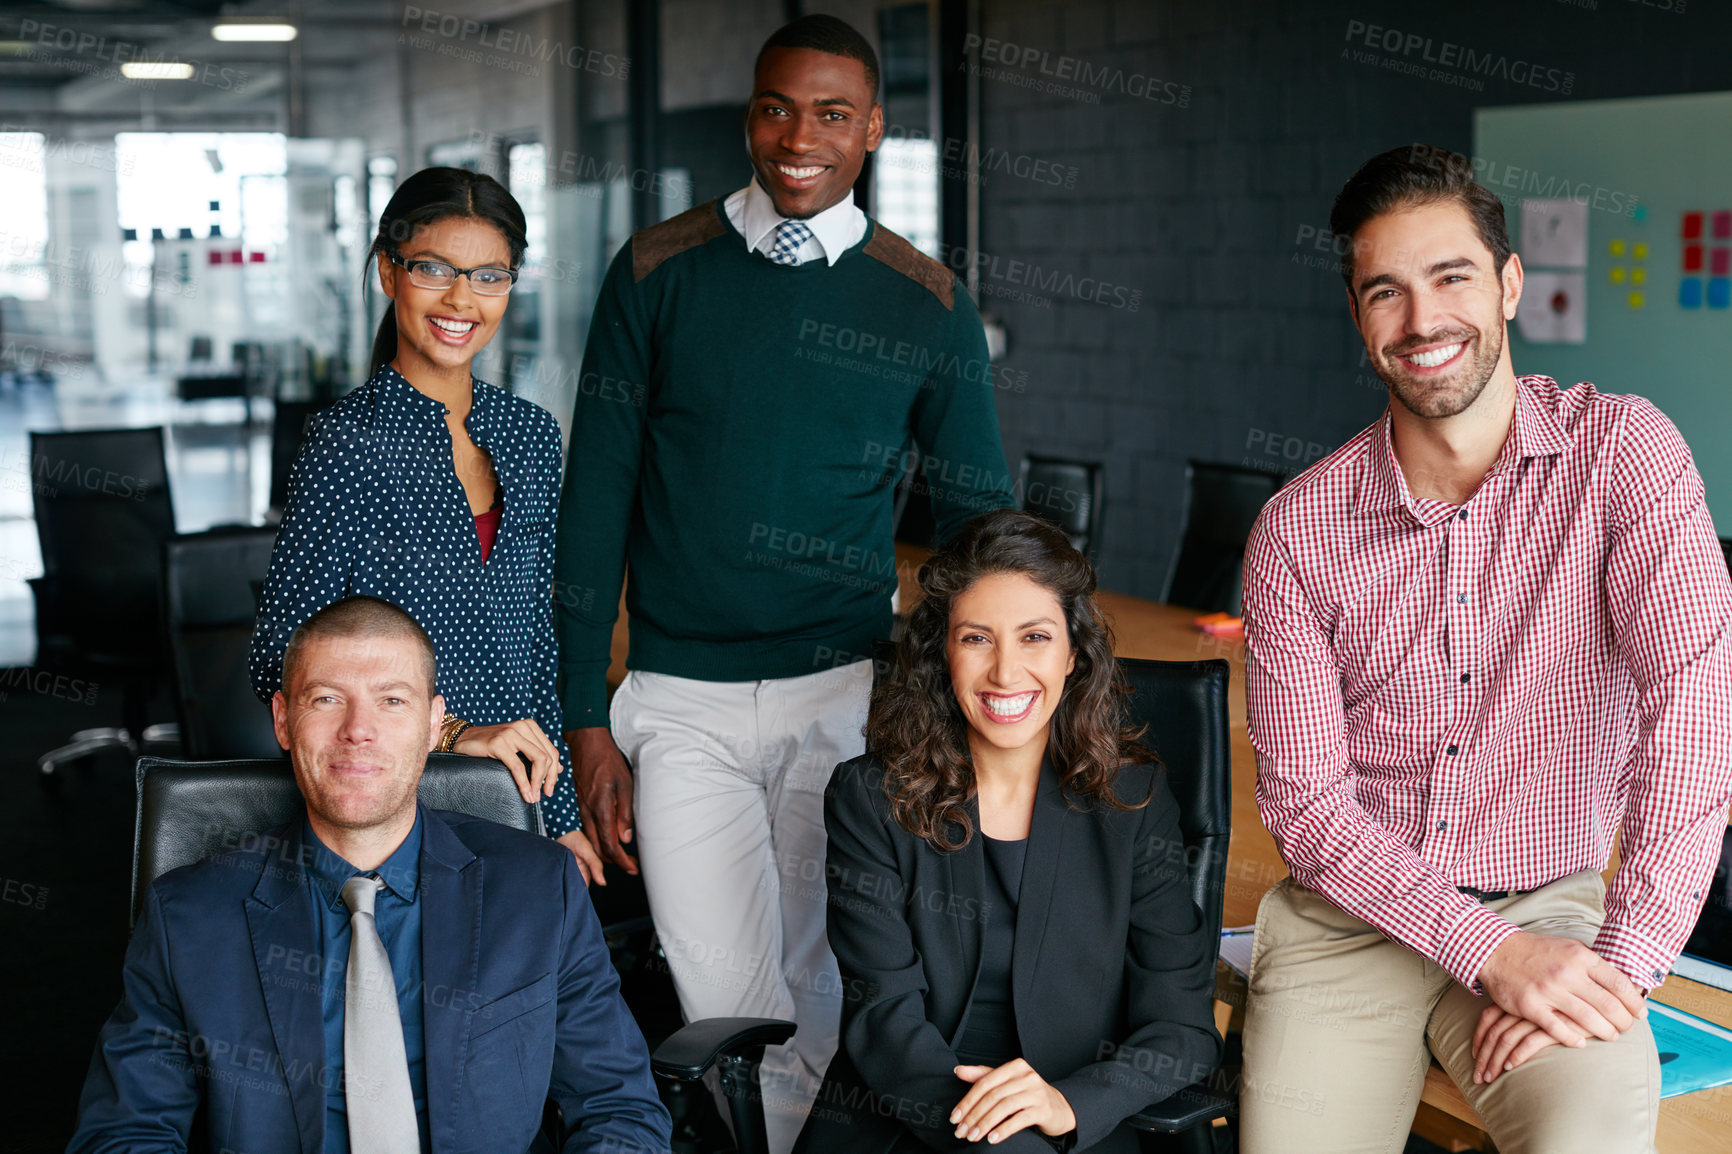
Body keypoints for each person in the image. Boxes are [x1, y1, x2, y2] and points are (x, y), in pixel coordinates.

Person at [553, 14, 1016, 1149]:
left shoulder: (924, 298)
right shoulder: (657, 269)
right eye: (775, 108)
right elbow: (593, 506)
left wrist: (964, 715)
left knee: (827, 987)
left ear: (872, 128)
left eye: (828, 113)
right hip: (676, 698)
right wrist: (582, 719)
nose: (796, 136)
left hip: (843, 700)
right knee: (722, 995)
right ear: (749, 117)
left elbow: (977, 529)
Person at [1238, 143, 1732, 1153]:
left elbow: (1691, 718)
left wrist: (1620, 960)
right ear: (1357, 315)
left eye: (1450, 276)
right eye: (1386, 292)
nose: (1421, 322)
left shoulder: (1623, 458)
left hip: (1552, 904)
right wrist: (1484, 950)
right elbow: (1306, 803)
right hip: (1347, 921)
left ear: (1509, 284)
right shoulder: (1296, 529)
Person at [70, 595, 672, 1153]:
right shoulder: (188, 916)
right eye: (326, 698)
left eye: (392, 700)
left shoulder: (541, 889)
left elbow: (619, 1107)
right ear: (283, 720)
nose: (358, 729)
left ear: (435, 724)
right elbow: (126, 1133)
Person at [793, 509, 1222, 1154]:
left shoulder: (1132, 801)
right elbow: (883, 1014)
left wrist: (1067, 1103)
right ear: (943, 651)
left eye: (1034, 638)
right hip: (907, 1113)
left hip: (1071, 1117)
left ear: (1075, 654)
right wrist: (989, 1133)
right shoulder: (870, 798)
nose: (1005, 673)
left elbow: (1183, 1029)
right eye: (976, 638)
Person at [249, 166, 602, 882]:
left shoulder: (530, 436)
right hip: (387, 797)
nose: (461, 299)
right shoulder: (348, 444)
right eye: (434, 269)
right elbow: (278, 660)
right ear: (389, 271)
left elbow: (534, 645)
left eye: (490, 276)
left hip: (515, 798)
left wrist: (559, 816)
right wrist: (455, 732)